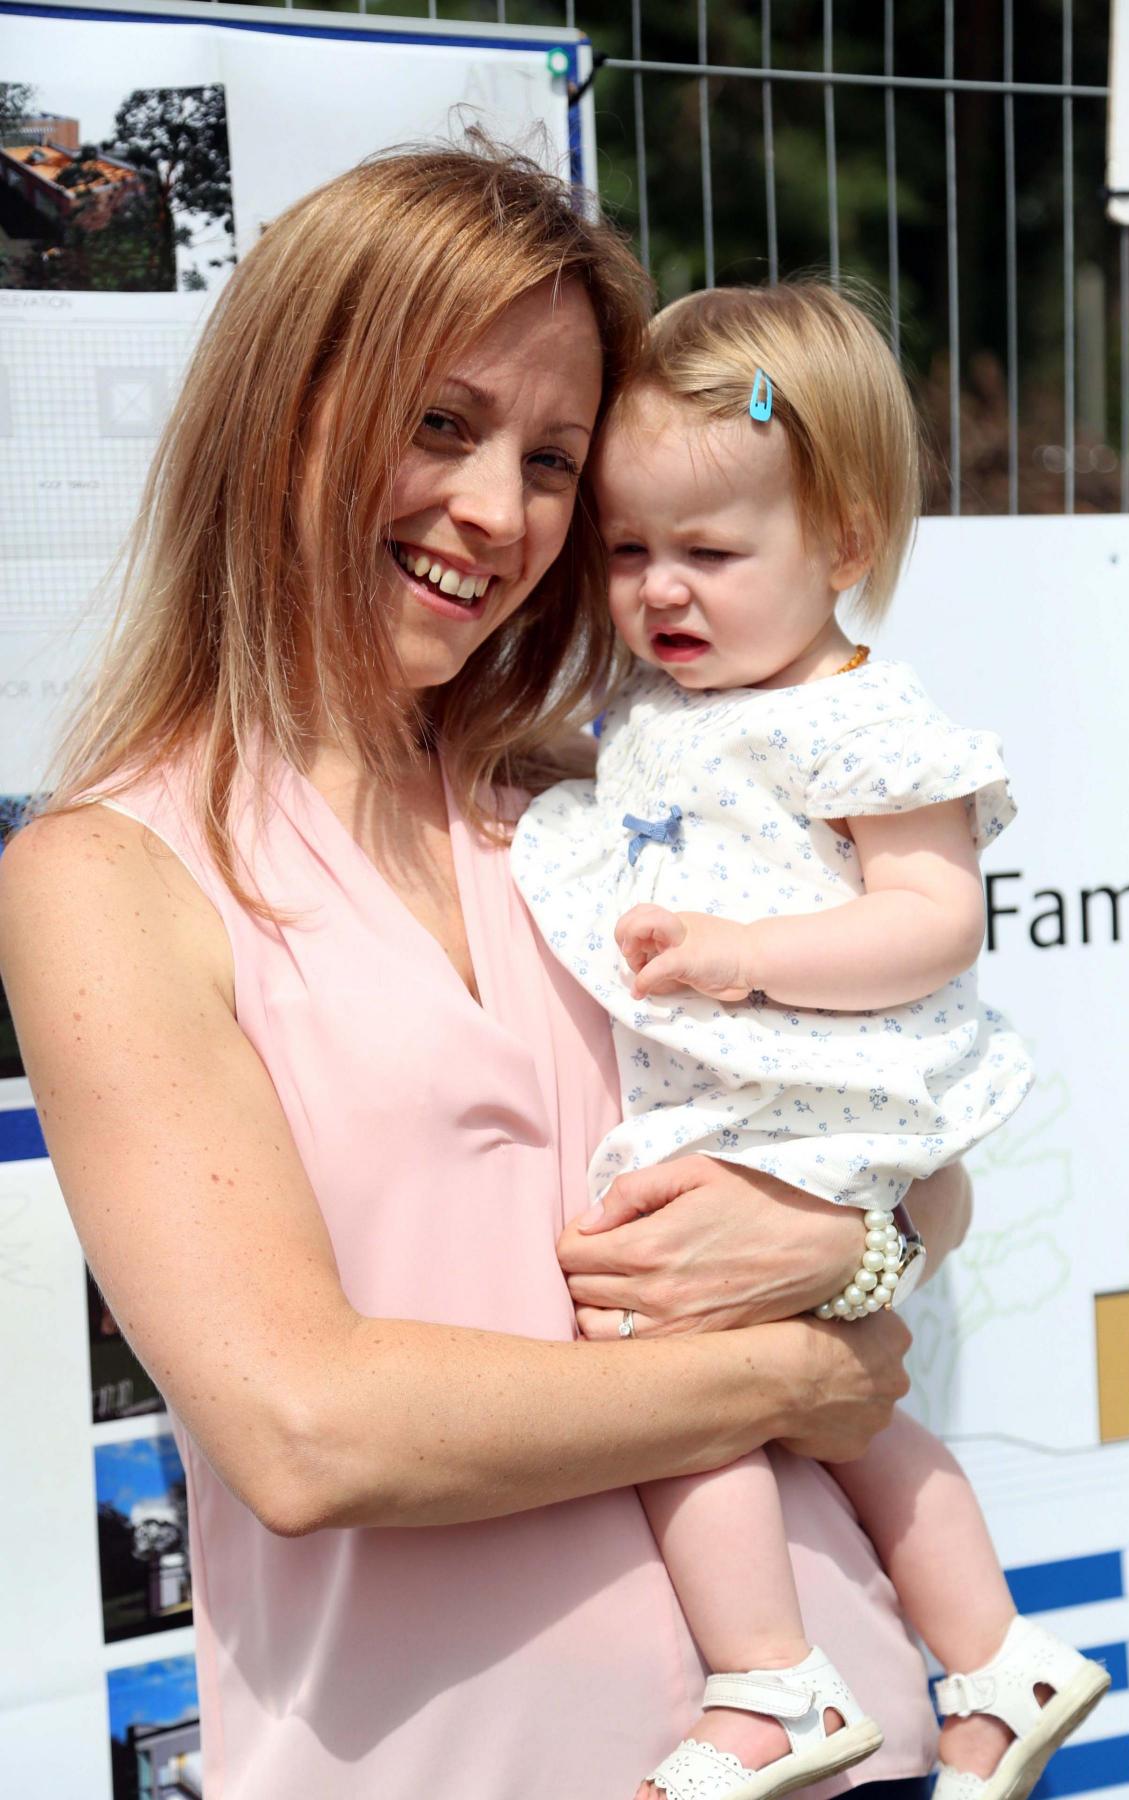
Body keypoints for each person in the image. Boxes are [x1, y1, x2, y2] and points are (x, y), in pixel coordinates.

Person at [0, 146, 949, 1800]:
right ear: (282, 410)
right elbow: (312, 1431)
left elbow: (913, 1136)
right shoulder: (109, 877)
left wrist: (854, 1242)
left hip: (853, 1742)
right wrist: (789, 1367)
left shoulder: (602, 816)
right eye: (440, 426)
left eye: (552, 460)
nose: (496, 515)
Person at [512, 282, 1110, 1800]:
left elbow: (932, 918)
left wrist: (747, 958)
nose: (663, 592)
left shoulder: (860, 715)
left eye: (713, 553)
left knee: (665, 1379)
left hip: (819, 1104)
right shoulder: (662, 705)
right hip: (745, 1109)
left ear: (842, 545)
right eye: (631, 552)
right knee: (845, 1410)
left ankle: (774, 1687)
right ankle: (994, 1656)